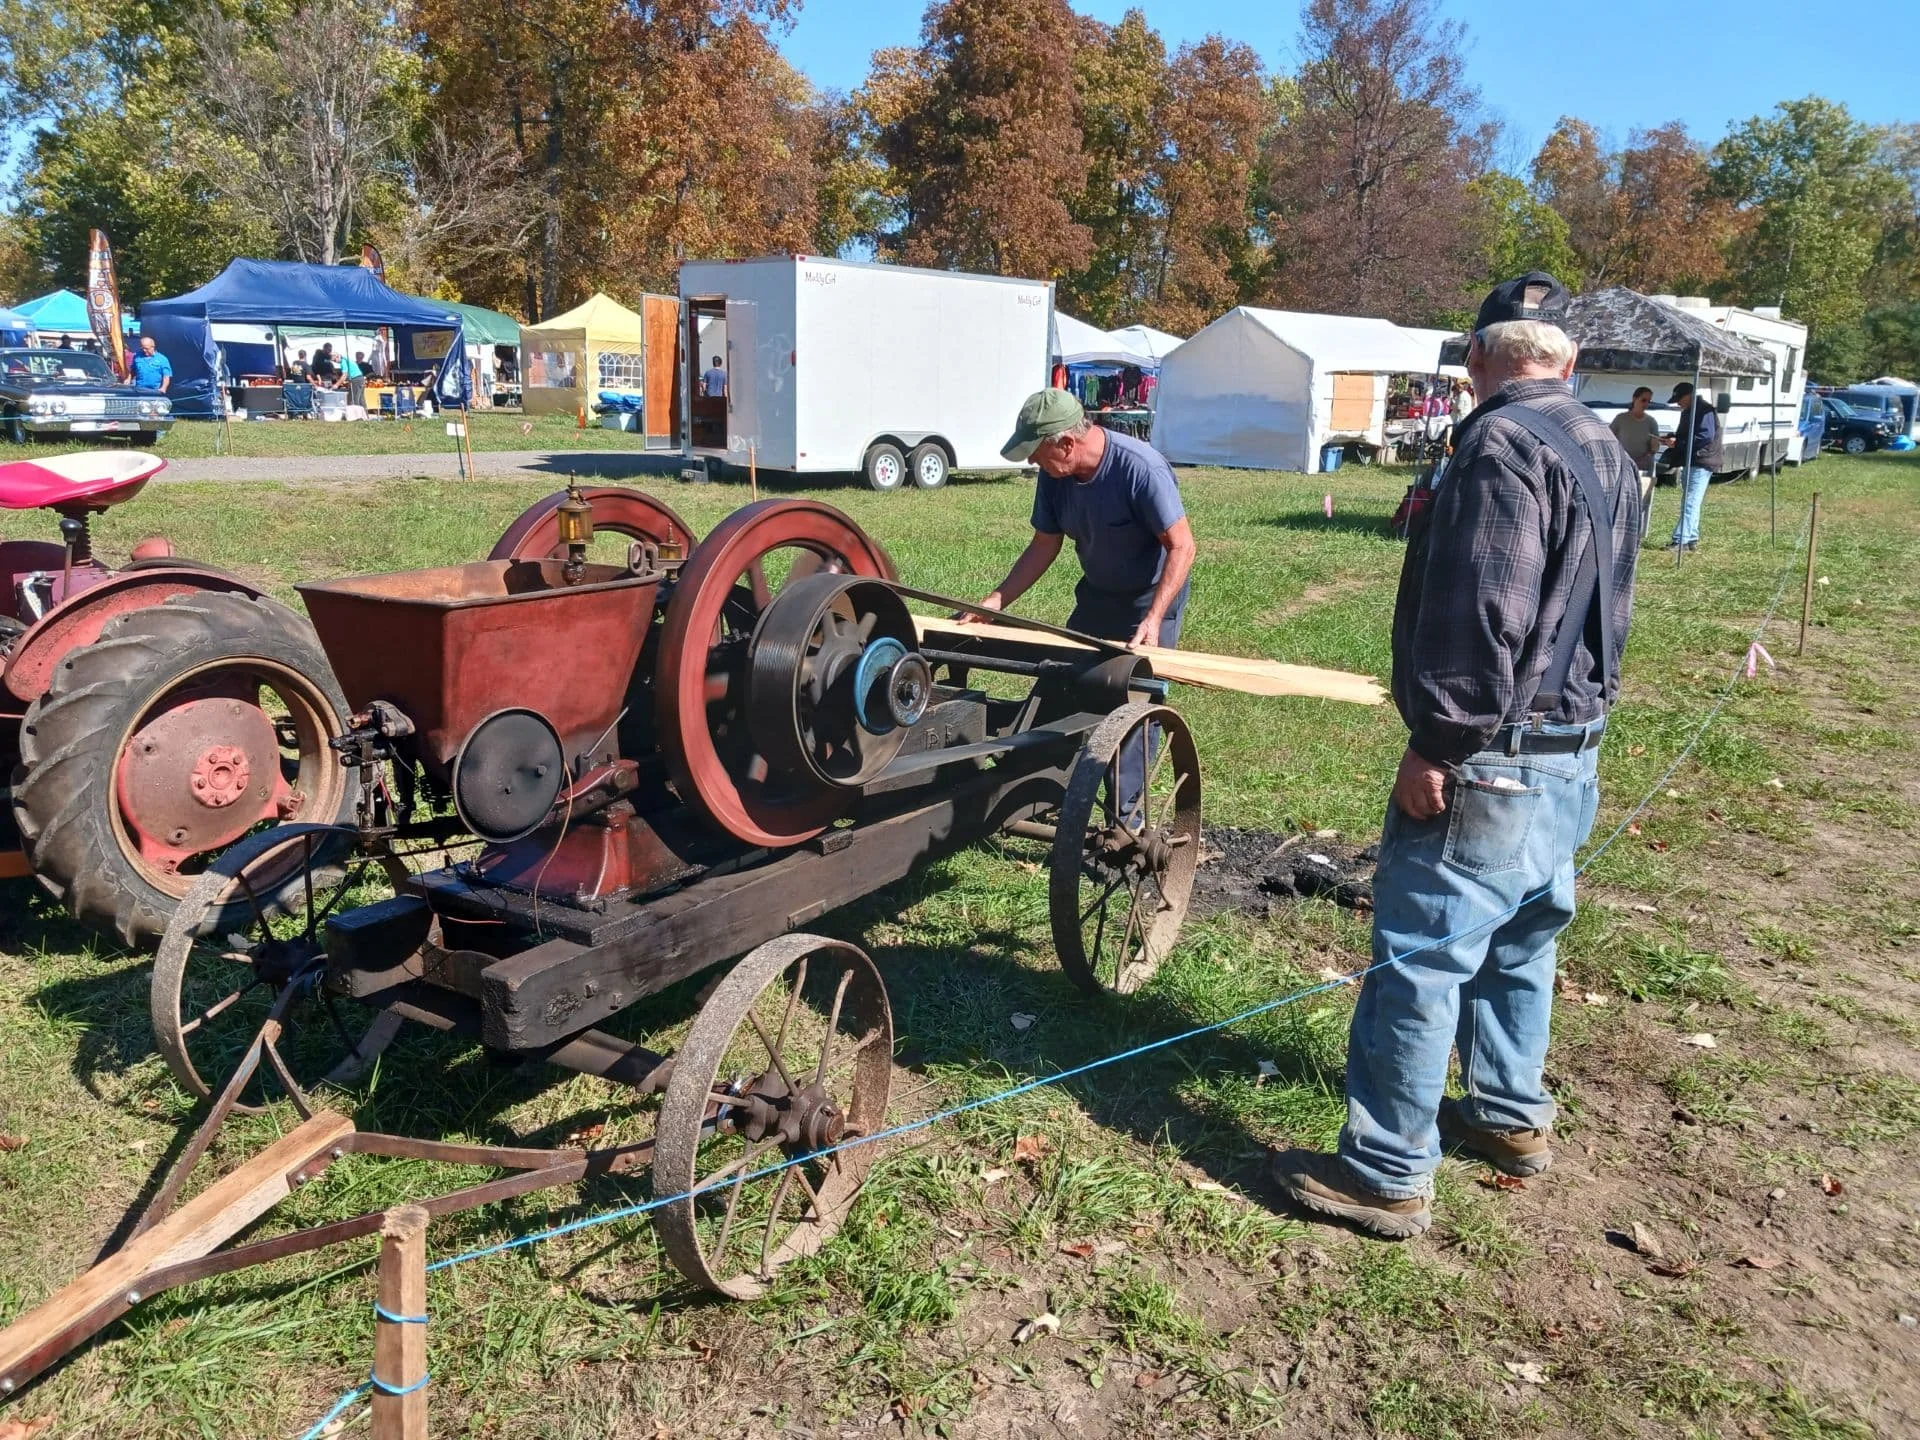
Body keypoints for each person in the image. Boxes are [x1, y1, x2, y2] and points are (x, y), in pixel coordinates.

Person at [1271, 273, 1638, 1239]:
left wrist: (1436, 744)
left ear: (1477, 359)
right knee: (1521, 943)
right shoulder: (1607, 446)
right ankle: (1510, 1116)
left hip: (1492, 755)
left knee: (1422, 961)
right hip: (1573, 749)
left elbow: (1486, 614)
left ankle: (1388, 1170)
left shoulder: (1499, 445)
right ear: (1569, 360)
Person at [969, 388, 1195, 652]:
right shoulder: (1053, 475)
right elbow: (1044, 545)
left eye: (1035, 451)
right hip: (1096, 597)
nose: (1031, 460)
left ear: (1067, 444)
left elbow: (1182, 546)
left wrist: (1153, 618)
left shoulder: (1142, 469)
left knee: (1135, 685)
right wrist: (996, 601)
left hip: (1148, 599)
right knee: (1065, 680)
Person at [1664, 382, 1720, 552]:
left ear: (1689, 395)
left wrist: (1679, 442)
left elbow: (1704, 436)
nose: (1678, 403)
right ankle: (1691, 538)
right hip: (1694, 460)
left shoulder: (1704, 410)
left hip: (1701, 460)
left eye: (1679, 399)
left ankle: (1680, 540)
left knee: (1690, 501)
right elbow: (1689, 434)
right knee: (1691, 500)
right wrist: (1673, 437)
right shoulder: (1691, 411)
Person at [1609, 387, 1663, 539]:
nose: (1646, 404)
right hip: (1622, 465)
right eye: (1643, 400)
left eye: (1649, 401)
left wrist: (1650, 452)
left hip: (1642, 467)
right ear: (1634, 399)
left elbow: (1655, 445)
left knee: (1639, 500)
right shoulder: (1621, 418)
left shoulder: (1651, 422)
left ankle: (1636, 530)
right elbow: (1609, 438)